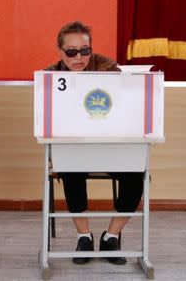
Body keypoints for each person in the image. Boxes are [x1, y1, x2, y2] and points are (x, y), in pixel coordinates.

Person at [45, 21, 144, 265]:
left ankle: (111, 237)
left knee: (137, 173)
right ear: (60, 51)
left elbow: (126, 106)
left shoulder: (109, 68)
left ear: (91, 49)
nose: (78, 57)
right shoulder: (50, 76)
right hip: (74, 148)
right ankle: (84, 237)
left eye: (84, 51)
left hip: (110, 145)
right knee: (70, 170)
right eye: (71, 51)